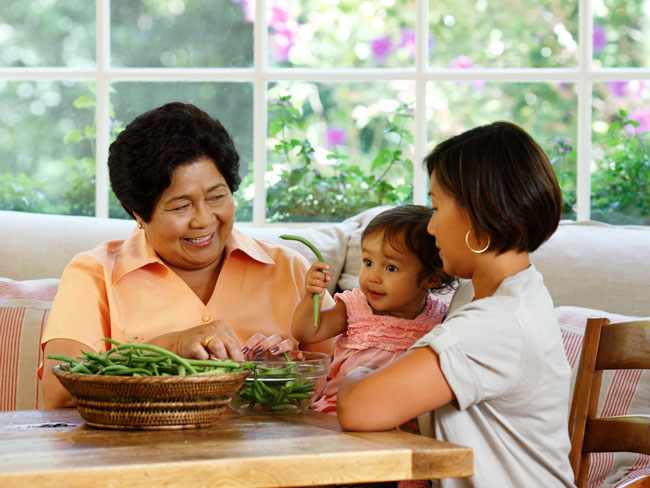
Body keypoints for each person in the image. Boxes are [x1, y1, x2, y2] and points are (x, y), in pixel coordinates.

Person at [40, 102, 334, 409]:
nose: (203, 220)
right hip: (142, 454)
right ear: (139, 213)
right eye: (181, 206)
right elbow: (59, 394)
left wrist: (284, 370)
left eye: (217, 197)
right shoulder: (94, 274)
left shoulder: (289, 269)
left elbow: (340, 374)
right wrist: (172, 346)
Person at [336, 122, 575, 487]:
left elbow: (358, 408)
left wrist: (358, 370)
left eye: (435, 208)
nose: (430, 229)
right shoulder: (499, 292)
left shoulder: (497, 324)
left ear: (478, 214)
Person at [292, 205, 454, 414]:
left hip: (403, 417)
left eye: (391, 268)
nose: (373, 277)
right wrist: (312, 296)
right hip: (339, 411)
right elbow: (305, 332)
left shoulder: (440, 318)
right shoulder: (354, 308)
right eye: (368, 262)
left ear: (432, 278)